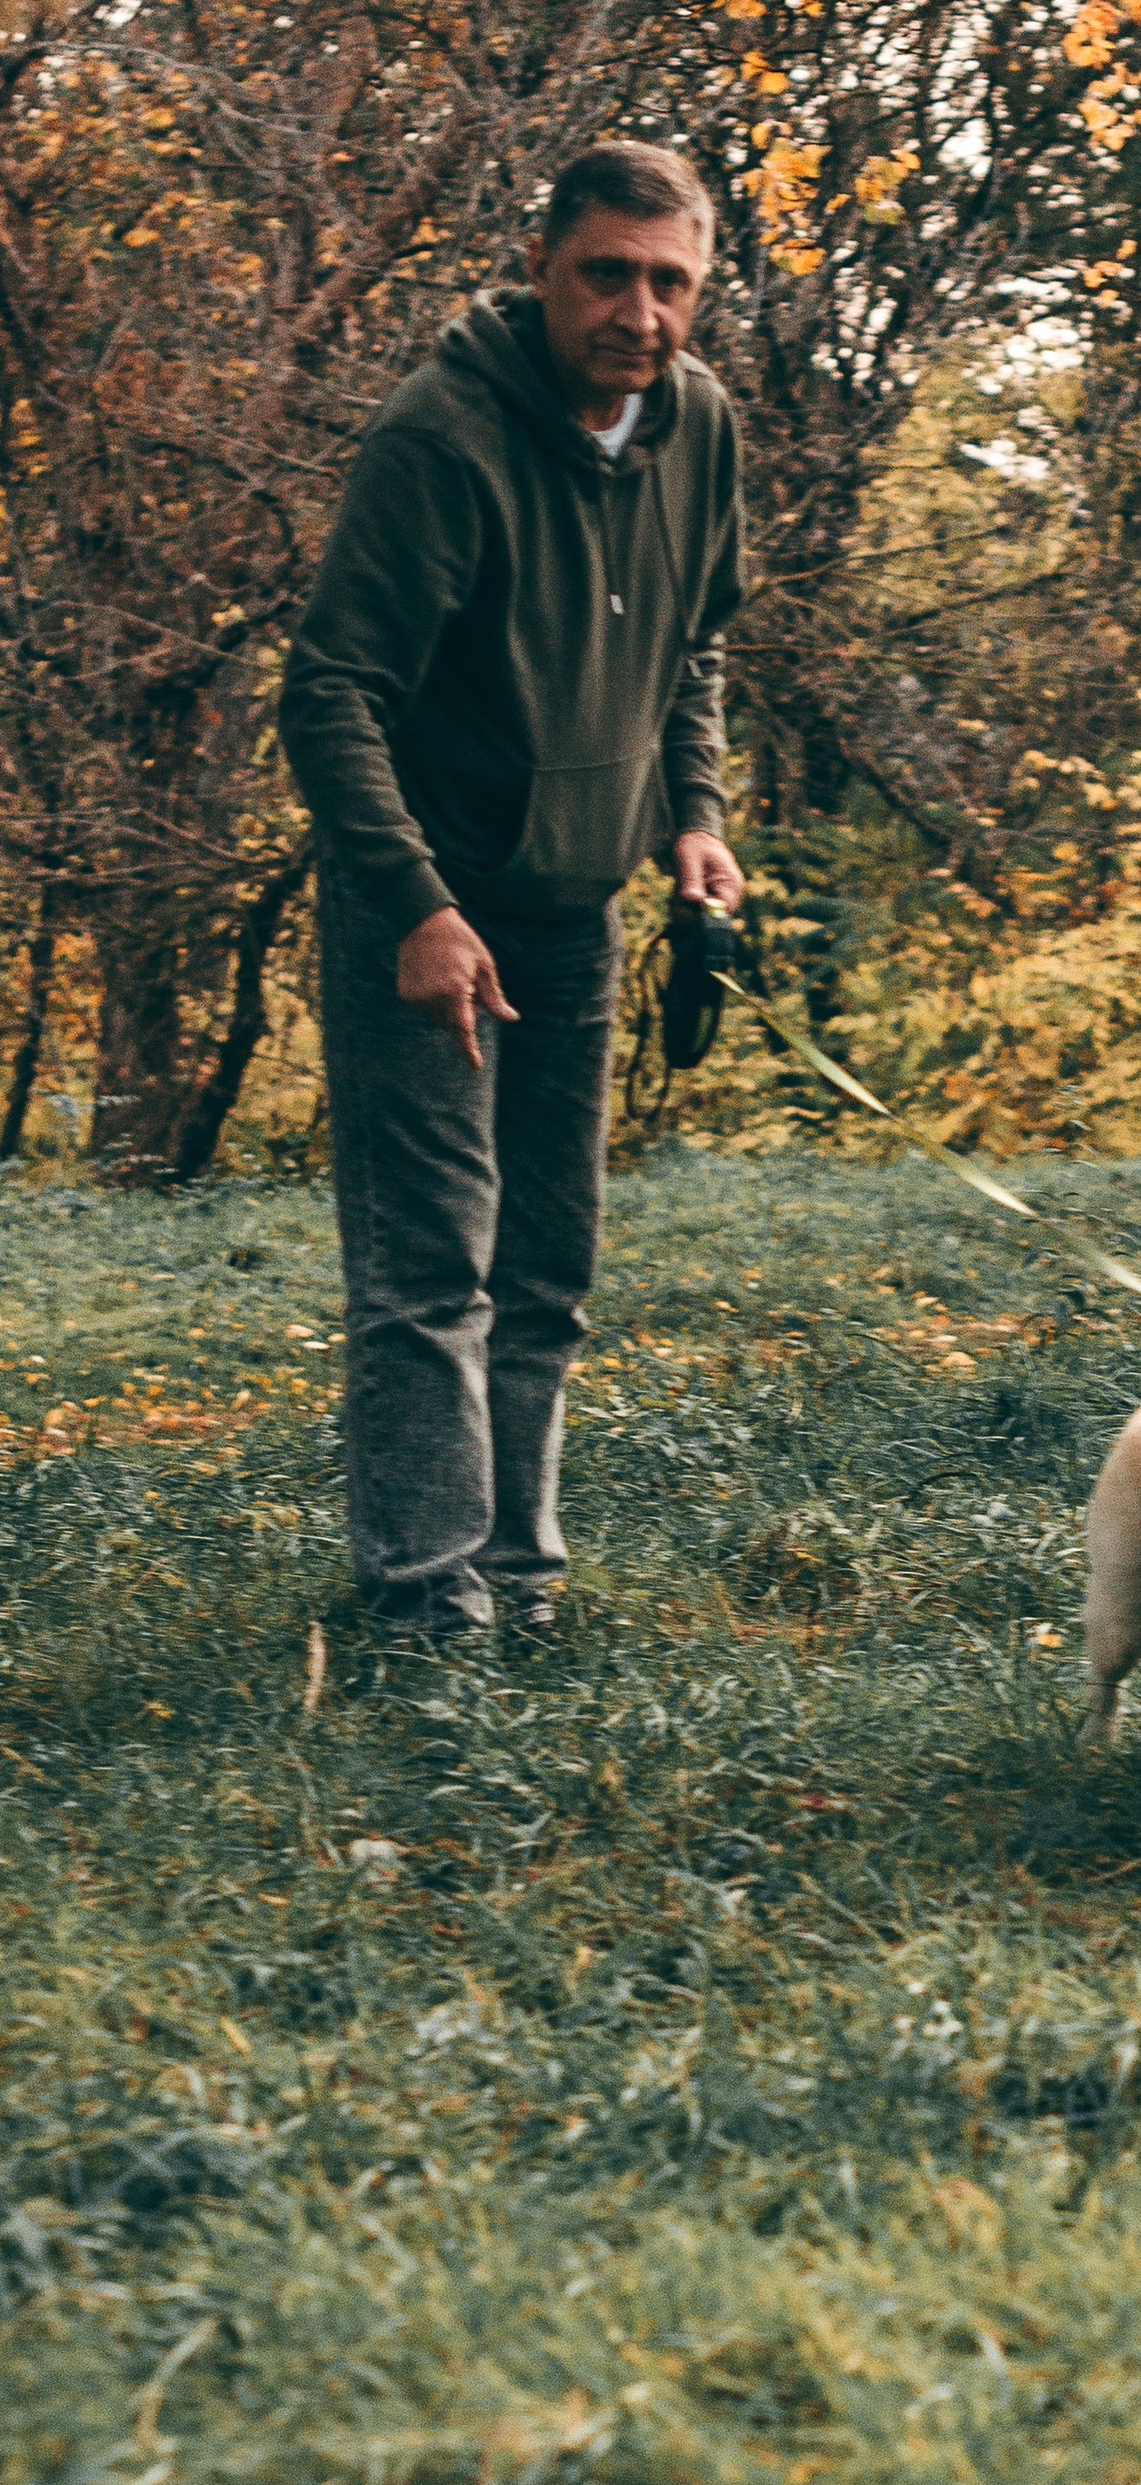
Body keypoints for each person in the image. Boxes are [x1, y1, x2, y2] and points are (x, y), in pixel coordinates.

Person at [280, 139, 747, 1639]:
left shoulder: (701, 428)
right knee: (432, 1274)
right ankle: (425, 1609)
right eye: (607, 272)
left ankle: (521, 1582)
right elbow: (332, 692)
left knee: (548, 1269)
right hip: (429, 909)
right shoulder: (443, 437)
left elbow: (694, 645)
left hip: (578, 905)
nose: (639, 312)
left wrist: (695, 813)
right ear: (542, 264)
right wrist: (415, 905)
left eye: (670, 281)